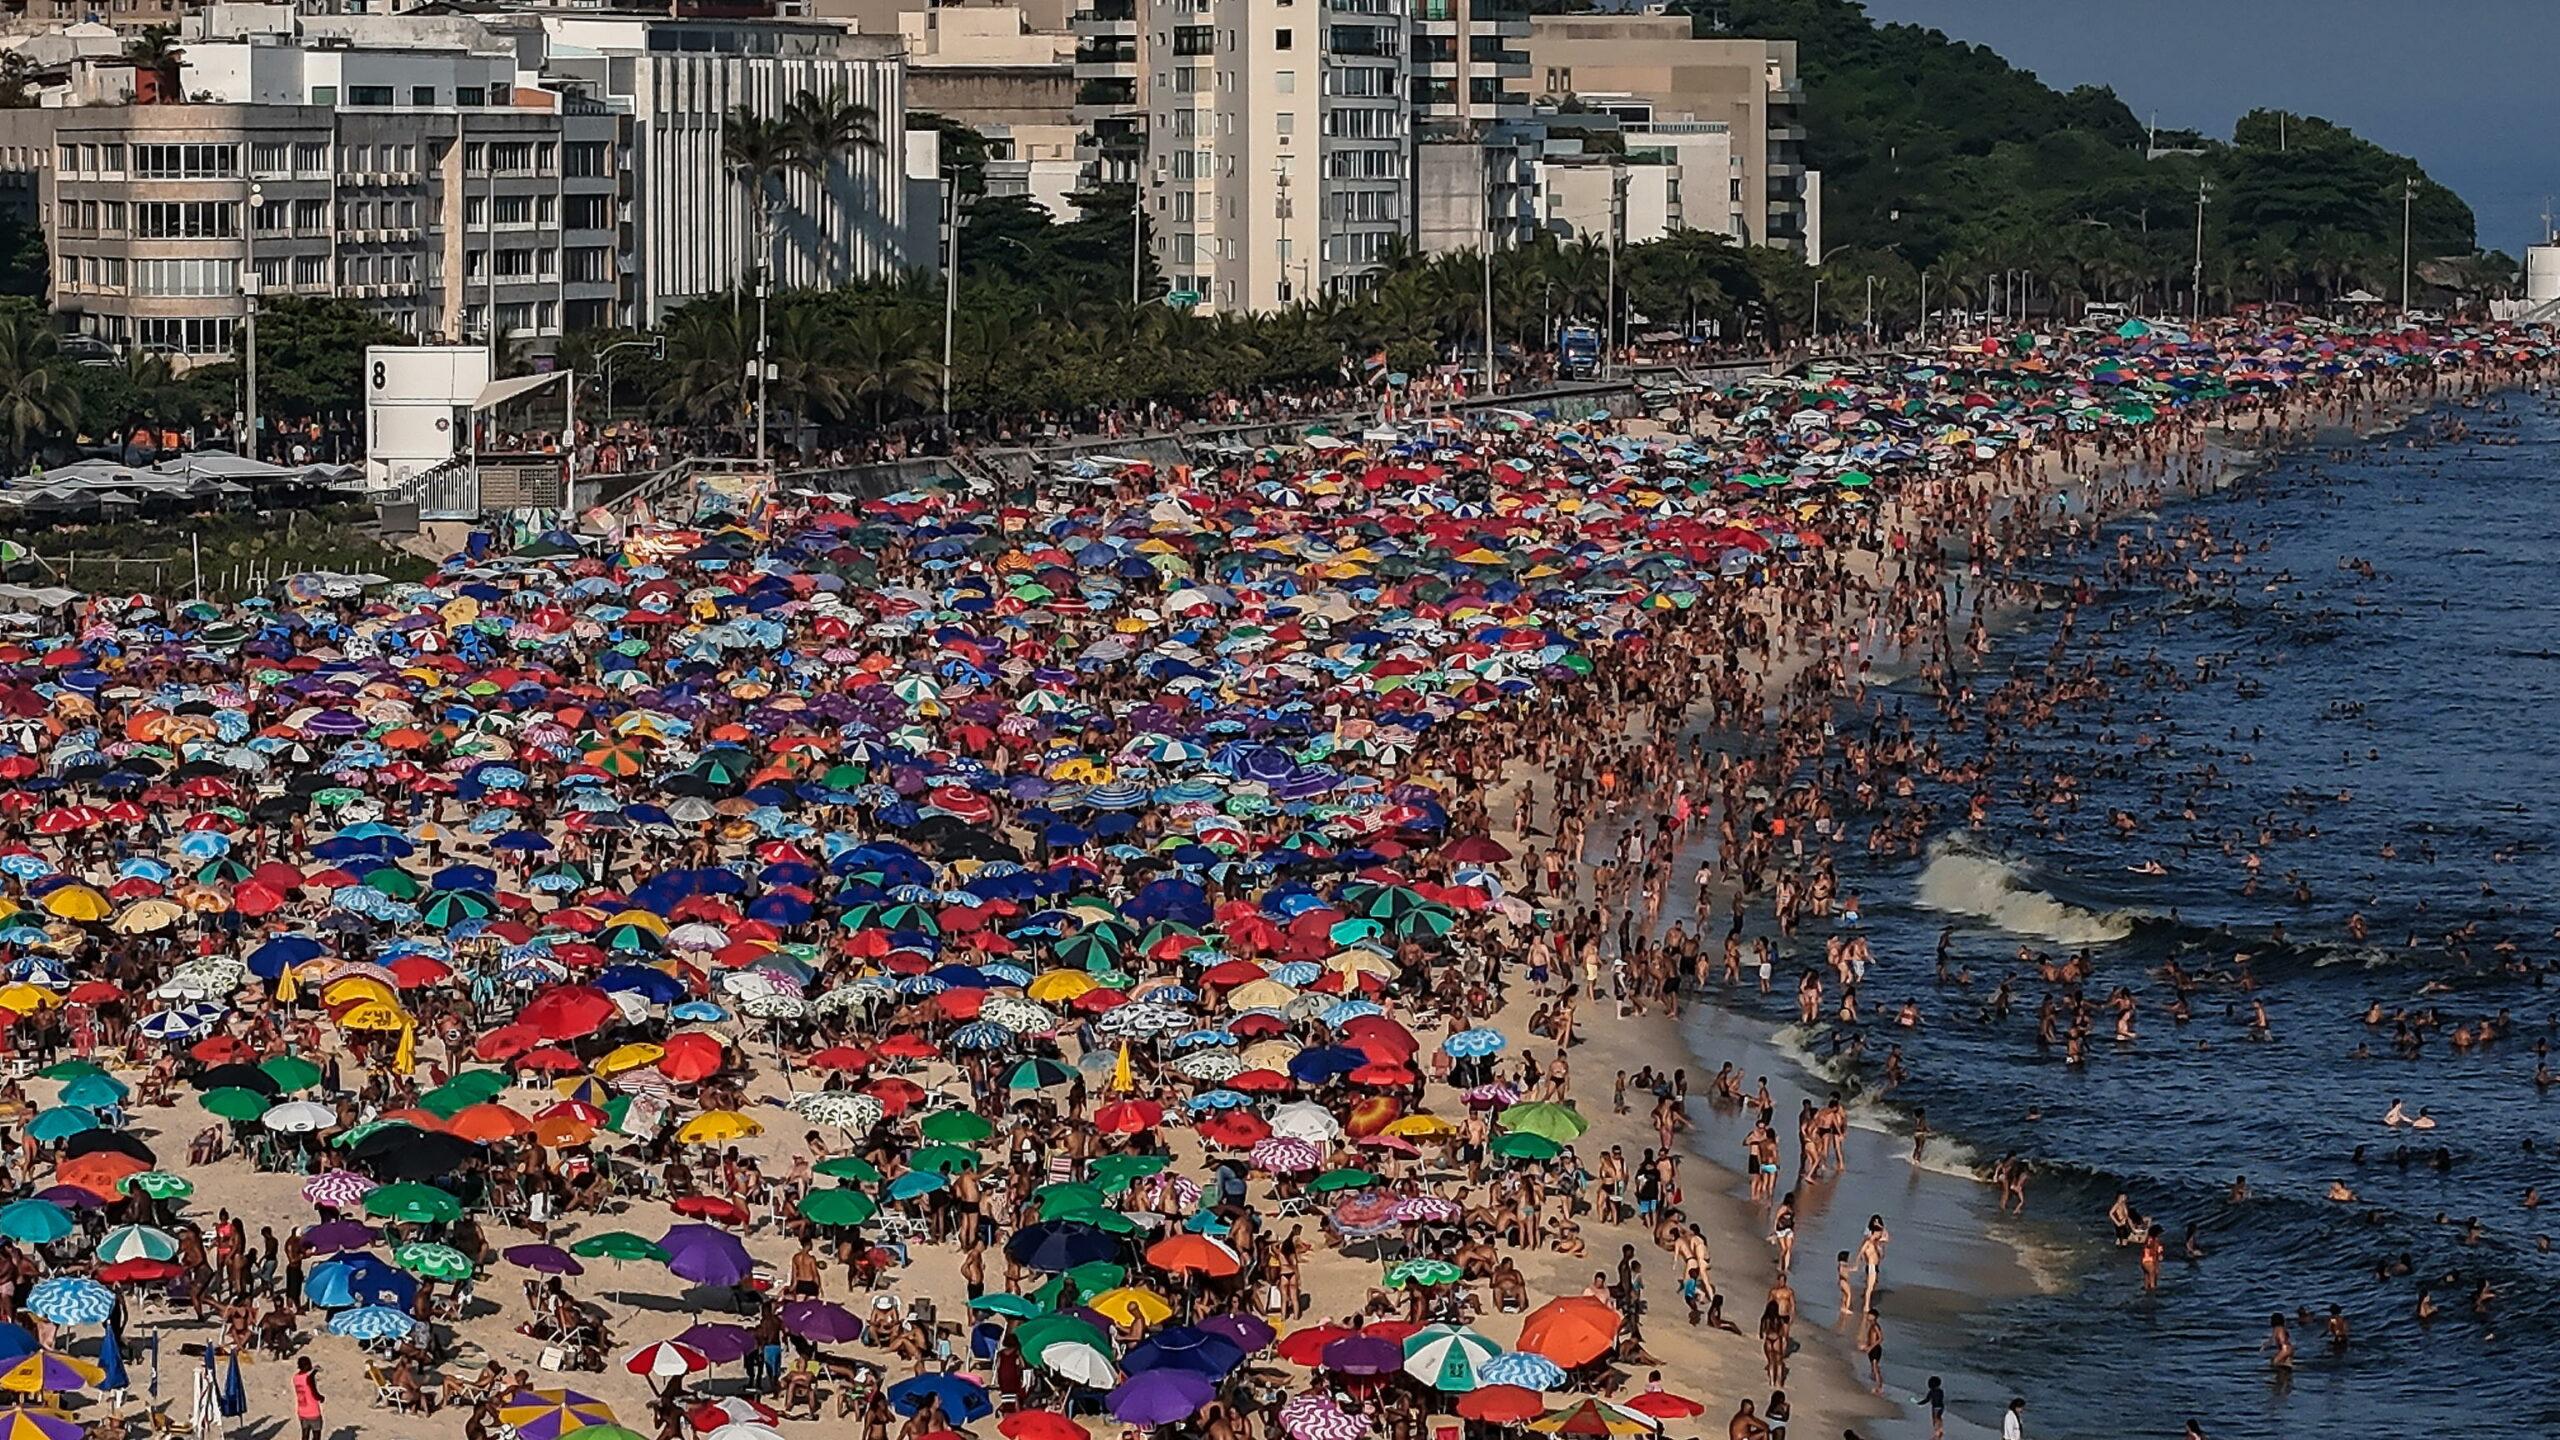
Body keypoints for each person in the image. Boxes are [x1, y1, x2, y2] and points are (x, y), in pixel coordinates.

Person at [292, 1357, 325, 1440]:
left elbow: (307, 1377)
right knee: (316, 1435)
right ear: (306, 1366)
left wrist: (314, 1371)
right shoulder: (308, 1378)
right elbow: (313, 1391)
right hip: (313, 1411)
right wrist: (321, 1397)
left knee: (305, 1435)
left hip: (302, 1411)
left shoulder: (295, 1378)